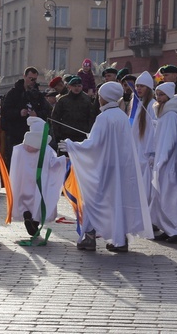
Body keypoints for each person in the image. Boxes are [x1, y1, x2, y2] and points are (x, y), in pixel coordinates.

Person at [60, 81, 153, 252]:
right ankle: (121, 239)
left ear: (106, 97)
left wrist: (72, 146)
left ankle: (89, 237)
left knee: (93, 200)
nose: (98, 98)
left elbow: (94, 145)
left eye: (100, 95)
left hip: (105, 168)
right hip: (120, 168)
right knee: (118, 201)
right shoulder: (121, 116)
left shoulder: (103, 117)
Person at [9, 117, 67, 236]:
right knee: (38, 201)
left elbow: (15, 164)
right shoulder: (47, 150)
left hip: (24, 181)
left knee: (24, 201)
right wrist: (64, 160)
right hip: (39, 182)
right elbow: (53, 163)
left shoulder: (20, 148)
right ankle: (34, 223)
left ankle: (26, 214)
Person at [149, 82, 177, 243]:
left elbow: (169, 141)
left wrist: (162, 159)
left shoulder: (171, 115)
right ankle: (168, 227)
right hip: (161, 161)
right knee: (160, 196)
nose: (159, 97)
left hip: (167, 163)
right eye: (157, 94)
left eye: (162, 94)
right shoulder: (164, 114)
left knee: (168, 196)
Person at [1, 67, 50, 168]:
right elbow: (5, 111)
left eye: (34, 79)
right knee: (15, 163)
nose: (32, 82)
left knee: (30, 165)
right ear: (24, 77)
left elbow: (47, 111)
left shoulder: (38, 95)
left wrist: (36, 114)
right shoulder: (13, 93)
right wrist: (19, 113)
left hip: (32, 136)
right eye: (30, 78)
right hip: (15, 134)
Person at [130, 71, 157, 202]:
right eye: (137, 85)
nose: (139, 88)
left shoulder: (152, 105)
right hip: (138, 151)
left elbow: (154, 131)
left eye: (142, 86)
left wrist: (152, 152)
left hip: (146, 153)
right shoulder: (138, 105)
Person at [50, 76, 95, 150]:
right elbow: (55, 118)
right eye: (74, 86)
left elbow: (91, 118)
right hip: (65, 136)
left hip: (82, 136)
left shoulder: (87, 100)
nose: (76, 88)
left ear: (82, 87)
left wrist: (89, 133)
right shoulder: (63, 100)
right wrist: (58, 136)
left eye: (79, 86)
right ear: (70, 87)